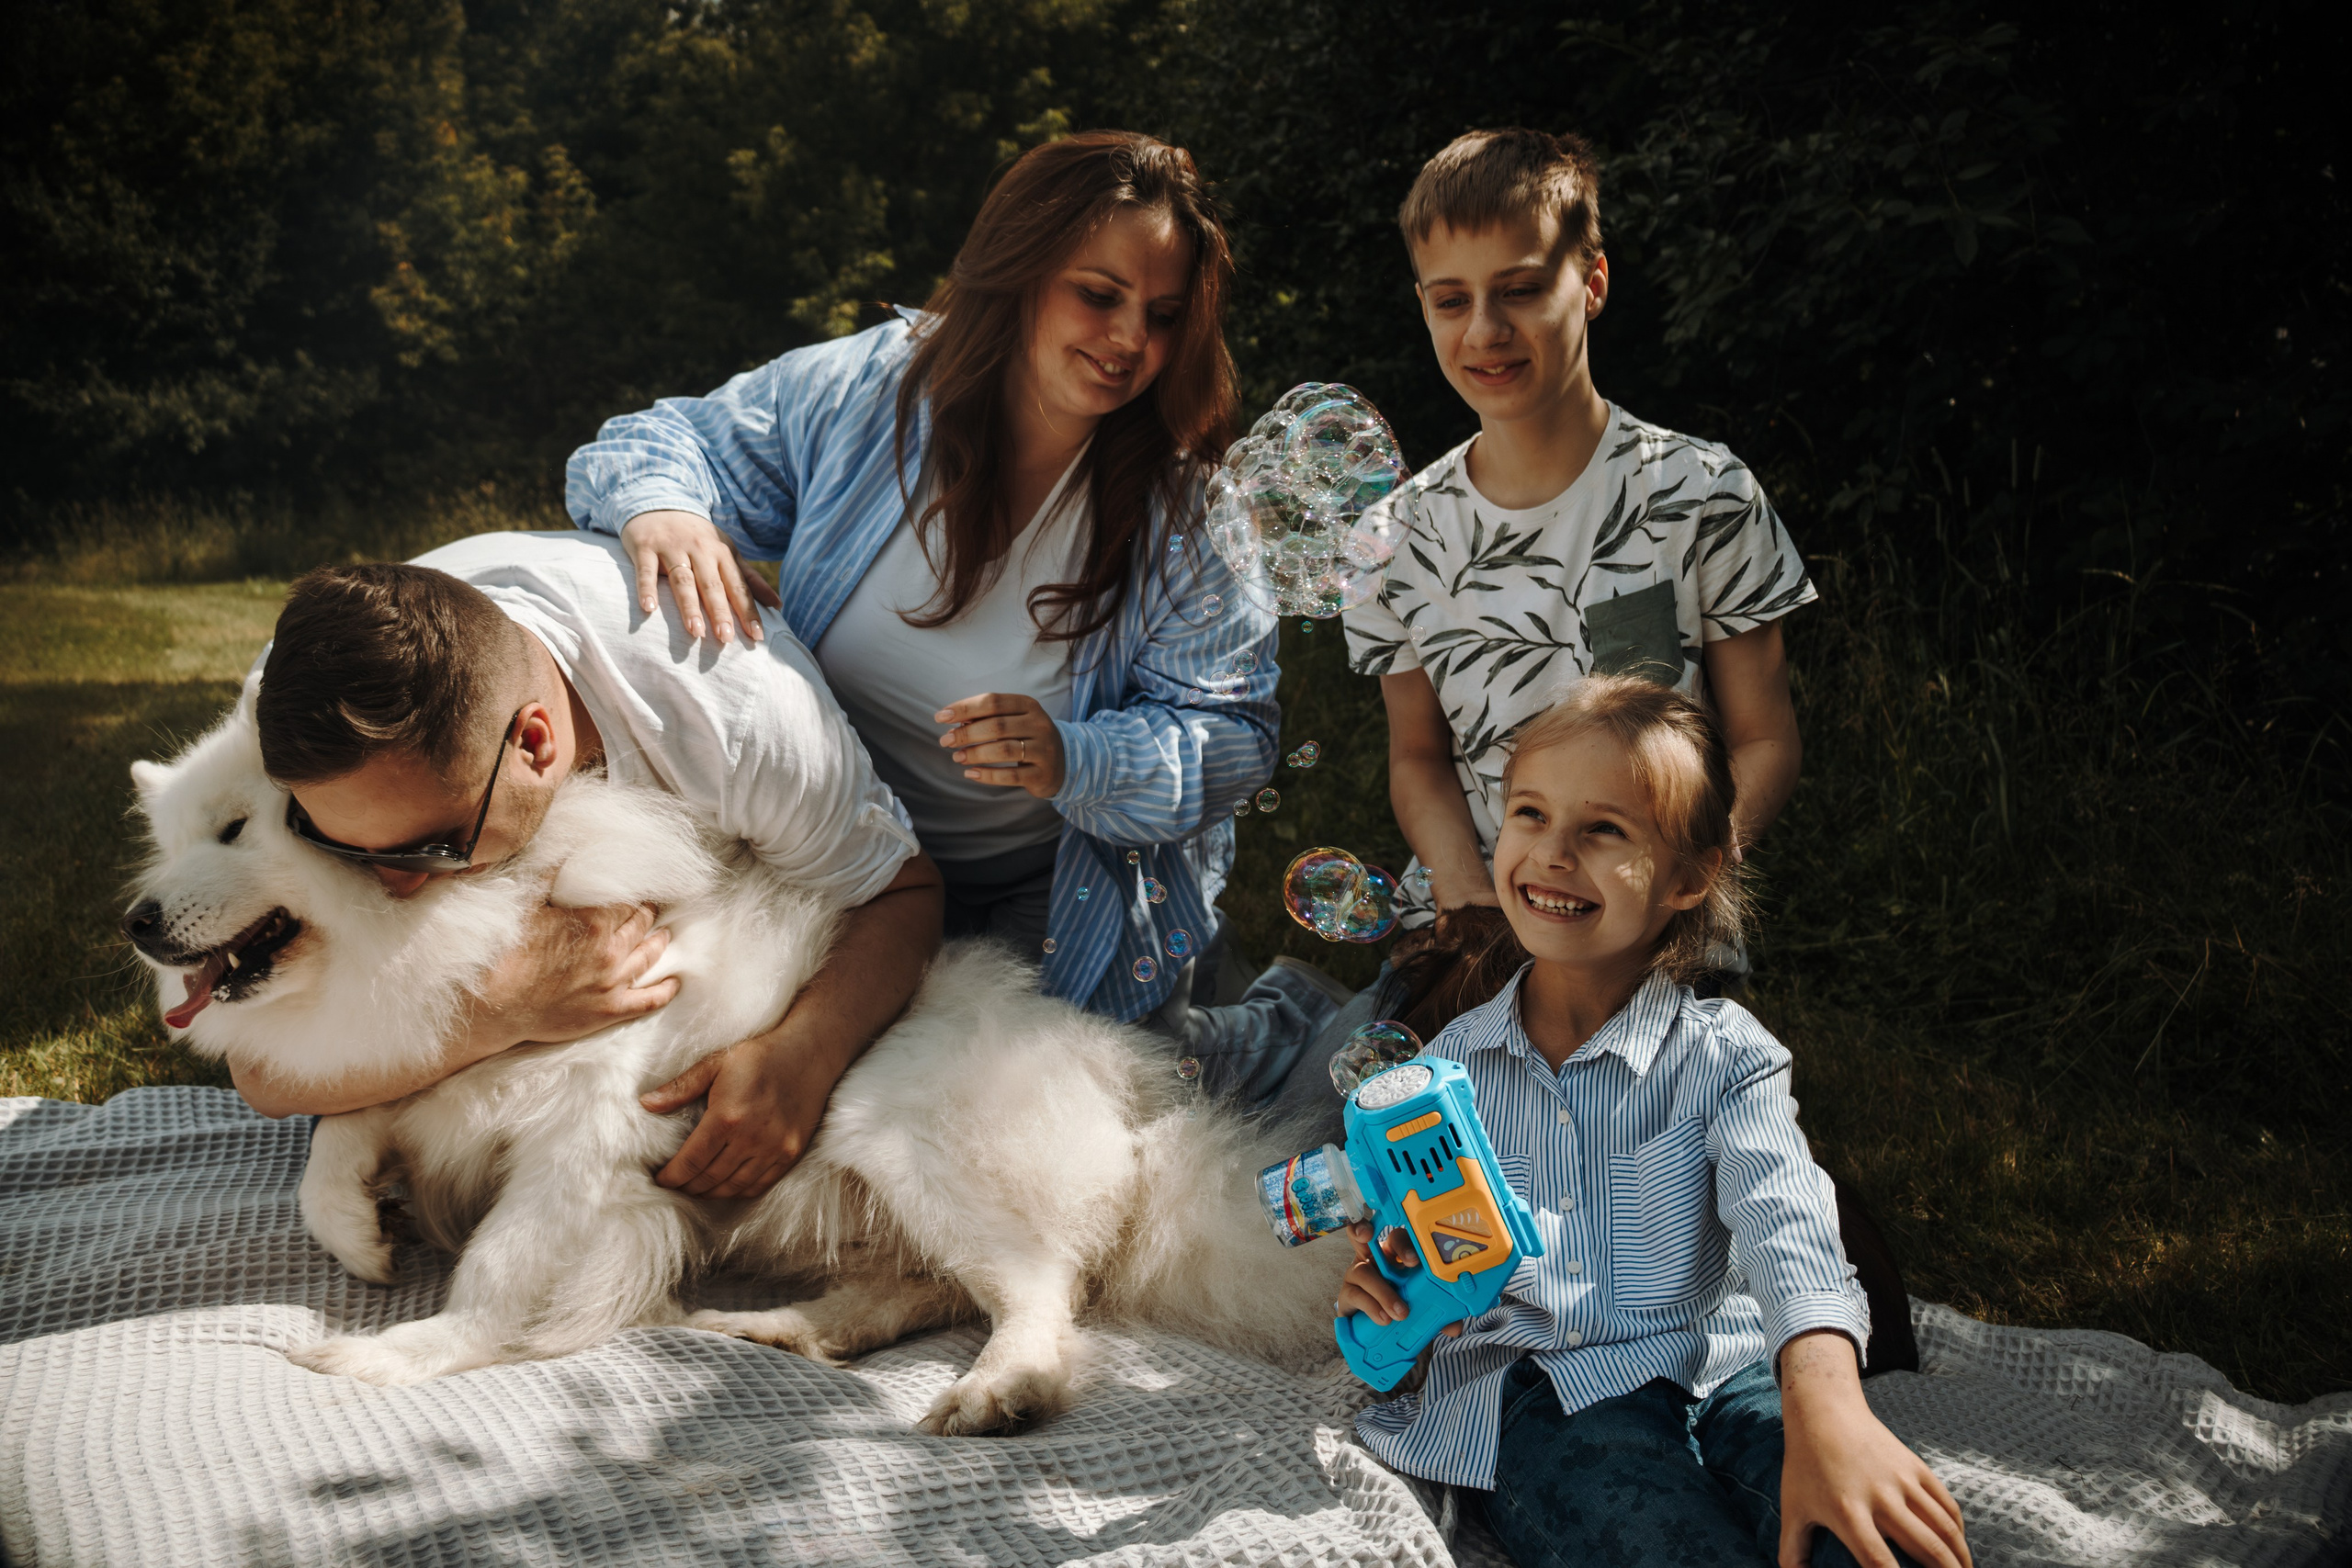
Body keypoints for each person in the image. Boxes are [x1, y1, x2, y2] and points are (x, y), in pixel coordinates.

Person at [564, 130, 1340, 1074]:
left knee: (1045, 1118)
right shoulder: (874, 388)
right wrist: (666, 509)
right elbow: (654, 441)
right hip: (830, 859)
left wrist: (1073, 756)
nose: (1131, 340)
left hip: (1046, 897)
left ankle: (1262, 1028)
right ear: (1017, 274)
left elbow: (1232, 738)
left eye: (1164, 314)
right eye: (1098, 295)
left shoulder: (1186, 509)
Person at [1336, 677, 1969, 1568]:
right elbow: (1423, 1261)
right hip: (1544, 1395)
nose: (1551, 853)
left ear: (1690, 874)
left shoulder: (1725, 1056)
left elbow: (1788, 1223)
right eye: (1527, 813)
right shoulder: (1441, 1079)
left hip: (1727, 1370)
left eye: (1602, 829)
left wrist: (1829, 1412)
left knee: (1862, 1536)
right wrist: (1389, 1296)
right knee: (1657, 1542)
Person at [233, 542, 944, 1202]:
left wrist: (805, 1054)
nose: (391, 885)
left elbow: (903, 892)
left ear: (536, 745)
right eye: (343, 848)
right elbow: (260, 1074)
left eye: (430, 849)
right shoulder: (294, 709)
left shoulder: (743, 723)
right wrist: (498, 1015)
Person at [1343, 127, 1810, 995]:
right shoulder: (1394, 538)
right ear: (1423, 306)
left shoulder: (1702, 493)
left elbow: (1764, 738)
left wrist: (1674, 885)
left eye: (1519, 290)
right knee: (1381, 1127)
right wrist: (1468, 895)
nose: (1485, 330)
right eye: (1451, 301)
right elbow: (1417, 757)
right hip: (1472, 922)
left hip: (1652, 930)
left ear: (1591, 284)